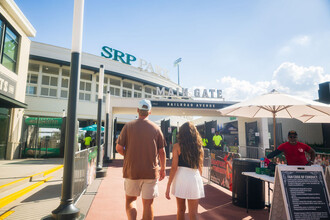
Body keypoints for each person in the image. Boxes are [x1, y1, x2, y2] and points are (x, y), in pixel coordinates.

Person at [116, 99, 166, 220]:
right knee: (148, 204)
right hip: (150, 171)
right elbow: (162, 152)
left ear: (138, 110)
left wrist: (129, 156)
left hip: (132, 170)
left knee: (130, 200)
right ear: (150, 112)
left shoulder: (128, 126)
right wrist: (163, 169)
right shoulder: (156, 128)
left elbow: (118, 148)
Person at [165, 122, 205, 220]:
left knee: (181, 210)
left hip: (181, 178)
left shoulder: (177, 146)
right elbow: (200, 167)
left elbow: (174, 167)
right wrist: (199, 182)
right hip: (194, 178)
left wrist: (168, 185)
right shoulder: (199, 147)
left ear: (181, 133)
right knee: (194, 213)